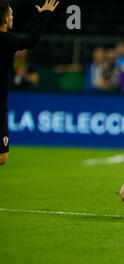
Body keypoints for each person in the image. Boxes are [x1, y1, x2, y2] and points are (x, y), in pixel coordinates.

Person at [0, 0, 59, 165]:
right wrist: (44, 15)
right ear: (5, 19)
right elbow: (31, 40)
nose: (12, 17)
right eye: (10, 14)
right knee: (2, 157)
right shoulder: (6, 39)